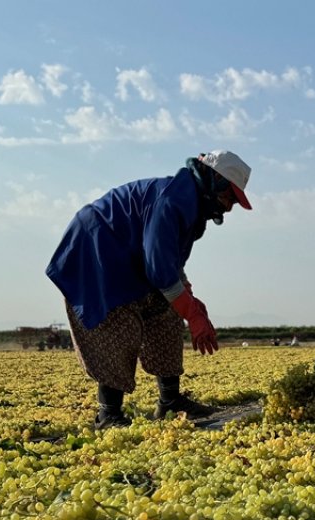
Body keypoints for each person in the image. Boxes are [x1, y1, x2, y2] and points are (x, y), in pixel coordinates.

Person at [46, 150, 254, 428]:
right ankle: (109, 414)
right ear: (215, 180)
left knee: (167, 312)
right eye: (230, 197)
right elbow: (159, 268)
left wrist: (190, 300)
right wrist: (192, 314)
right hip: (97, 254)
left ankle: (170, 401)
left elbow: (171, 263)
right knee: (117, 324)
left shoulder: (190, 208)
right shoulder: (171, 200)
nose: (229, 207)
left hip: (130, 261)